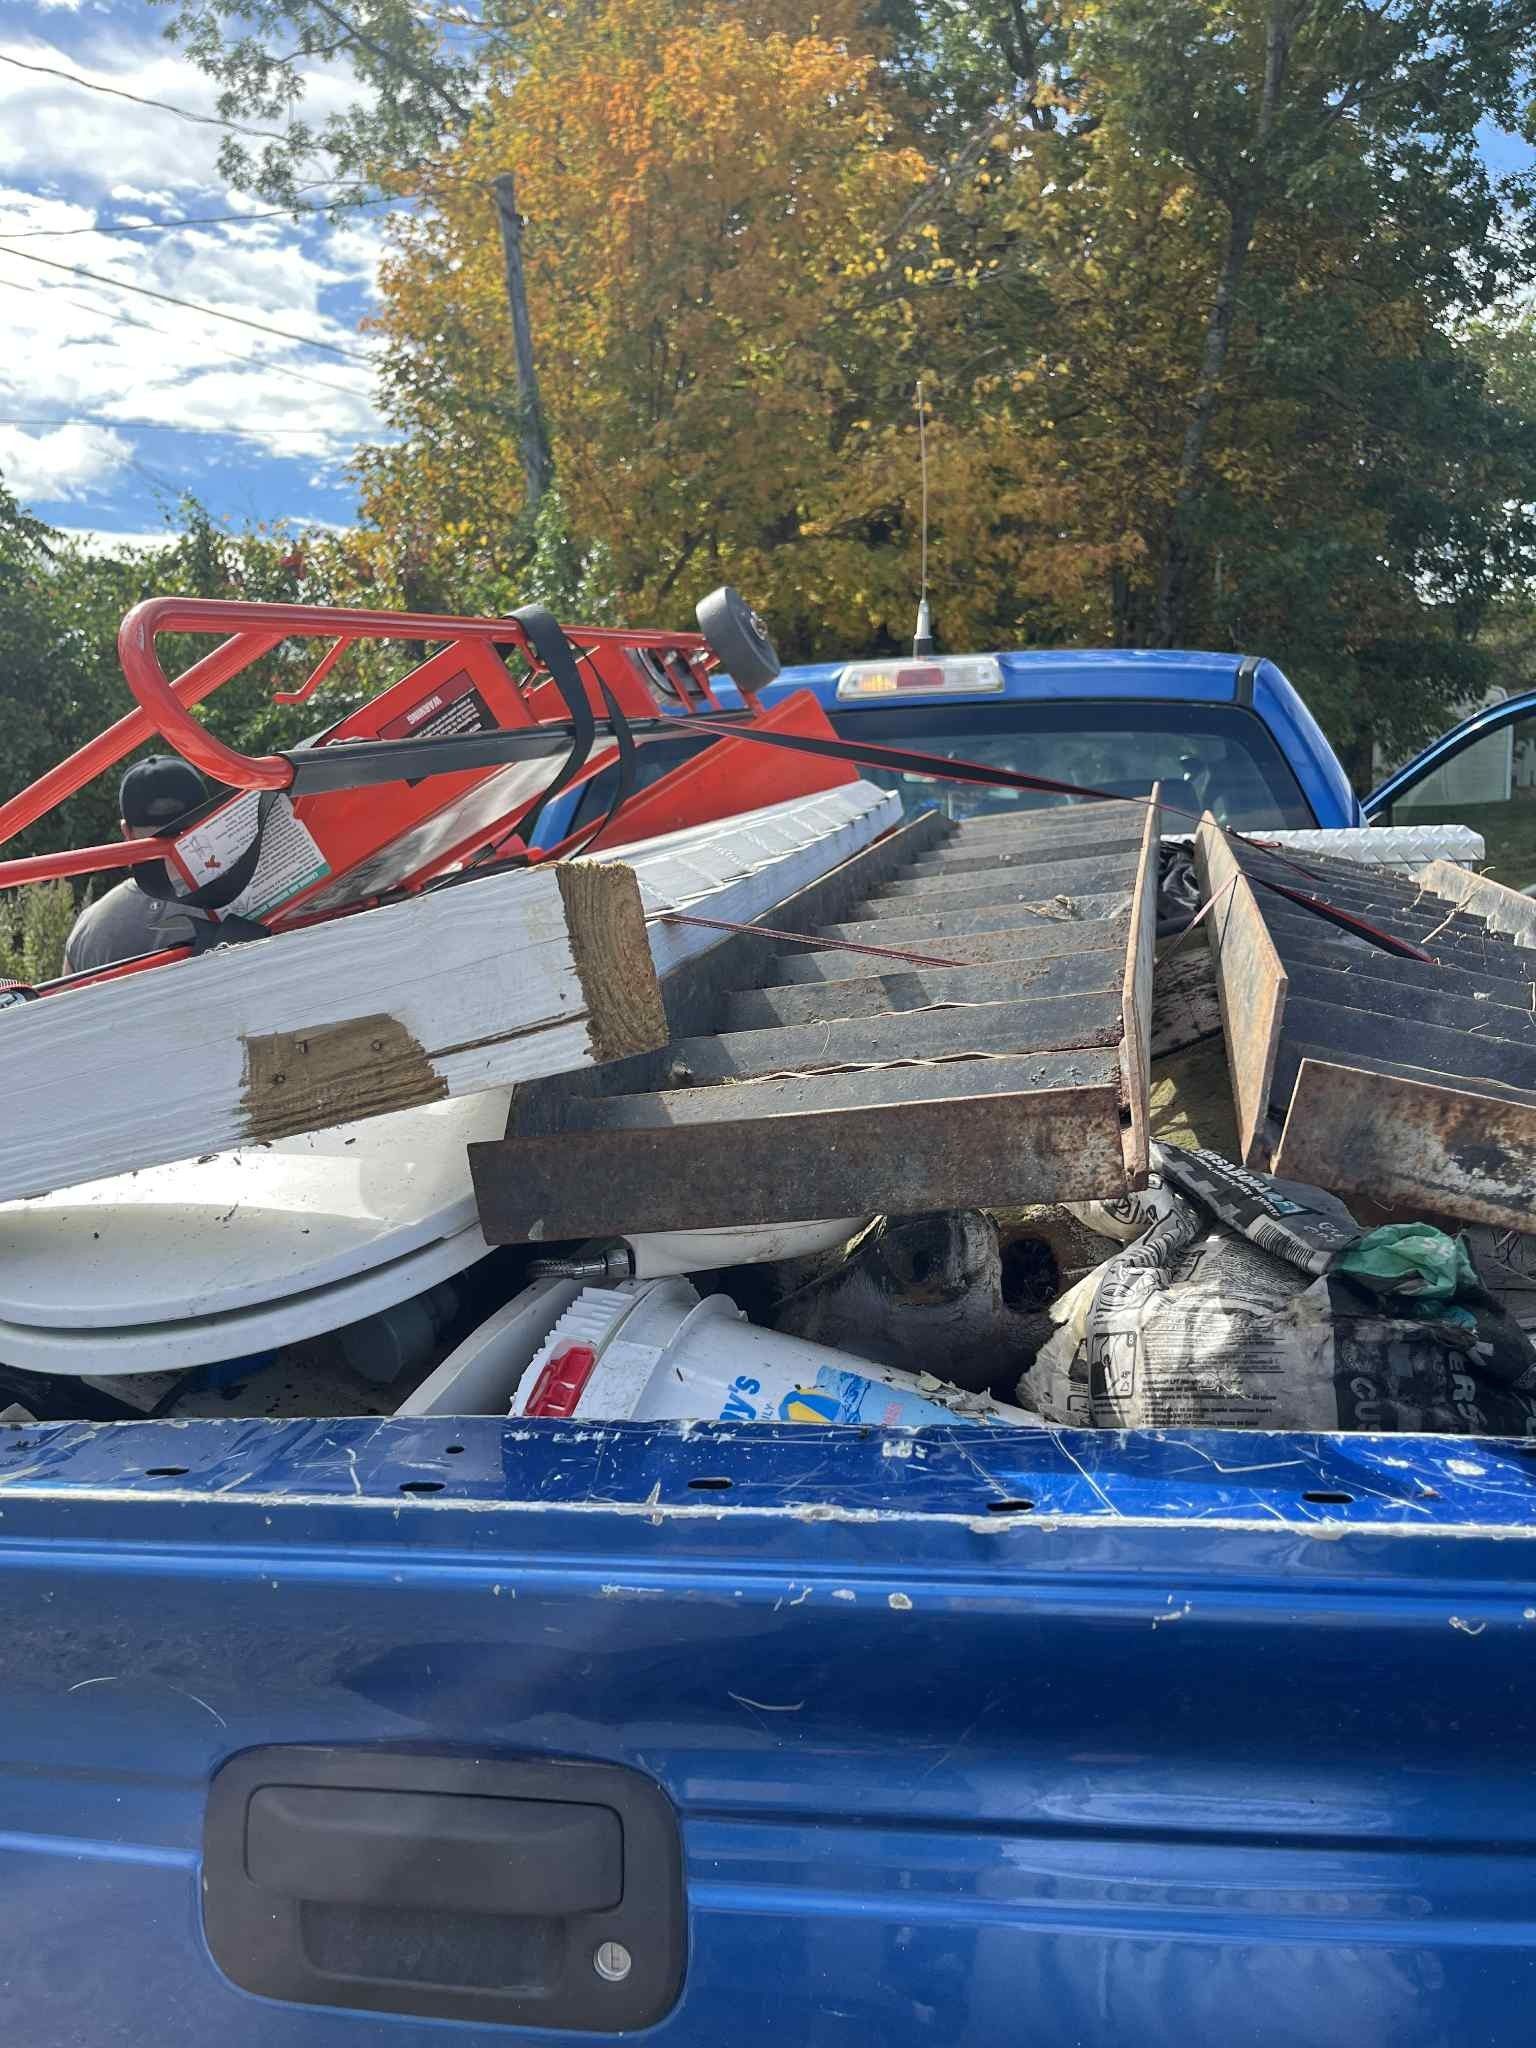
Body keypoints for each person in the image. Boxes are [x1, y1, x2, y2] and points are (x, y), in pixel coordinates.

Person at [62, 757, 210, 975]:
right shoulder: (259, 898)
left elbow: (67, 1005)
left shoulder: (89, 927)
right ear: (211, 818)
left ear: (127, 832)